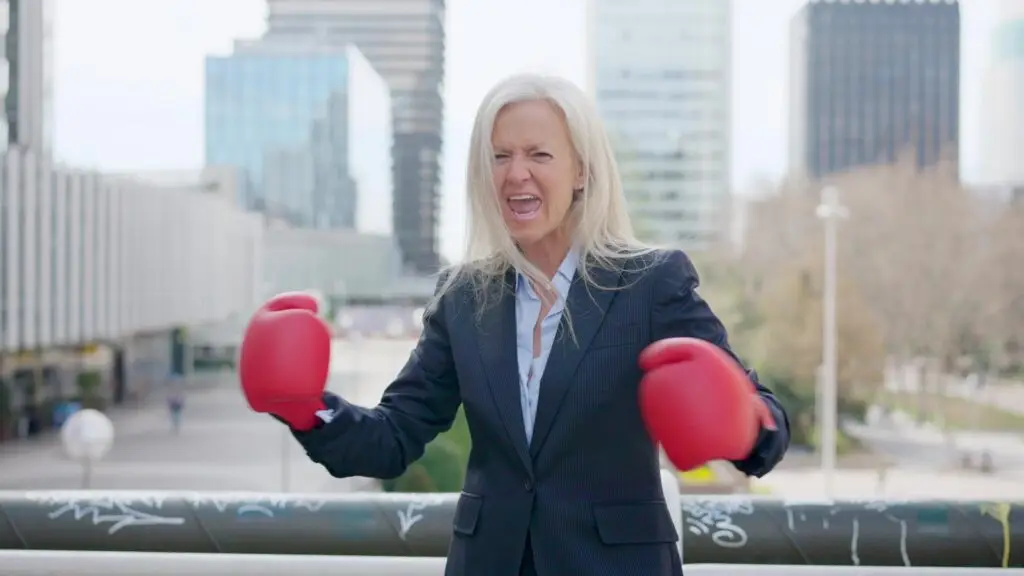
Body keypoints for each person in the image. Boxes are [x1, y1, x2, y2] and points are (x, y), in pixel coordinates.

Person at [238, 73, 790, 576]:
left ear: (582, 171)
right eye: (499, 156)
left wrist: (741, 420)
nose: (515, 173)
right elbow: (393, 440)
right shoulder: (462, 297)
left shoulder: (650, 282)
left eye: (538, 154)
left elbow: (768, 429)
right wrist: (305, 407)